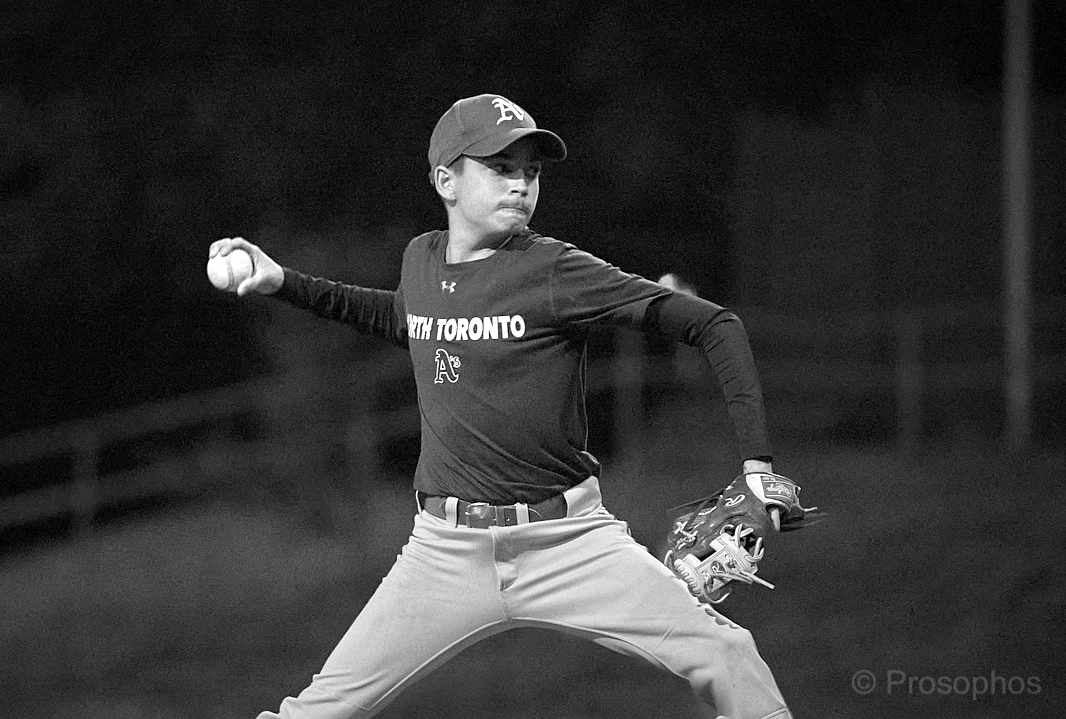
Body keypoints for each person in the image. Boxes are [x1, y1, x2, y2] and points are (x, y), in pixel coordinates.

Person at [210, 93, 793, 719]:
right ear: (446, 181)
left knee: (727, 655)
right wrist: (284, 283)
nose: (521, 184)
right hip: (443, 554)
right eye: (500, 167)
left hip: (570, 542)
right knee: (314, 712)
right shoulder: (421, 260)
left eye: (531, 171)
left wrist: (757, 465)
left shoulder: (554, 270)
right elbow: (405, 318)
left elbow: (716, 325)